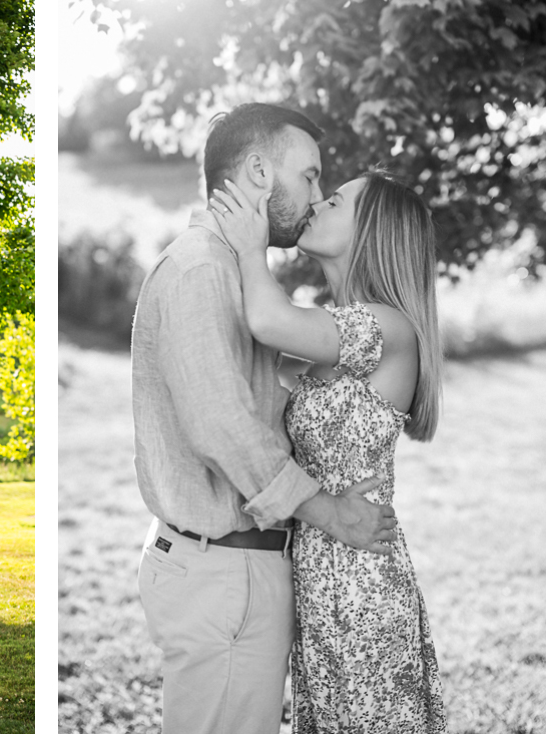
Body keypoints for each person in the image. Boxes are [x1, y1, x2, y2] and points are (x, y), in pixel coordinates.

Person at [131, 103, 397, 734]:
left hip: (236, 572)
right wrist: (331, 512)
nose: (315, 194)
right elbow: (221, 424)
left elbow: (255, 403)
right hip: (221, 572)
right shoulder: (202, 269)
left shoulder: (234, 274)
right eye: (309, 176)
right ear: (257, 170)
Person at [209, 171, 447, 731]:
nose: (317, 202)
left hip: (362, 583)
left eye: (335, 199)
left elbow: (266, 321)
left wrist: (250, 243)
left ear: (371, 230)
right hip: (319, 576)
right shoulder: (331, 332)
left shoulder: (387, 328)